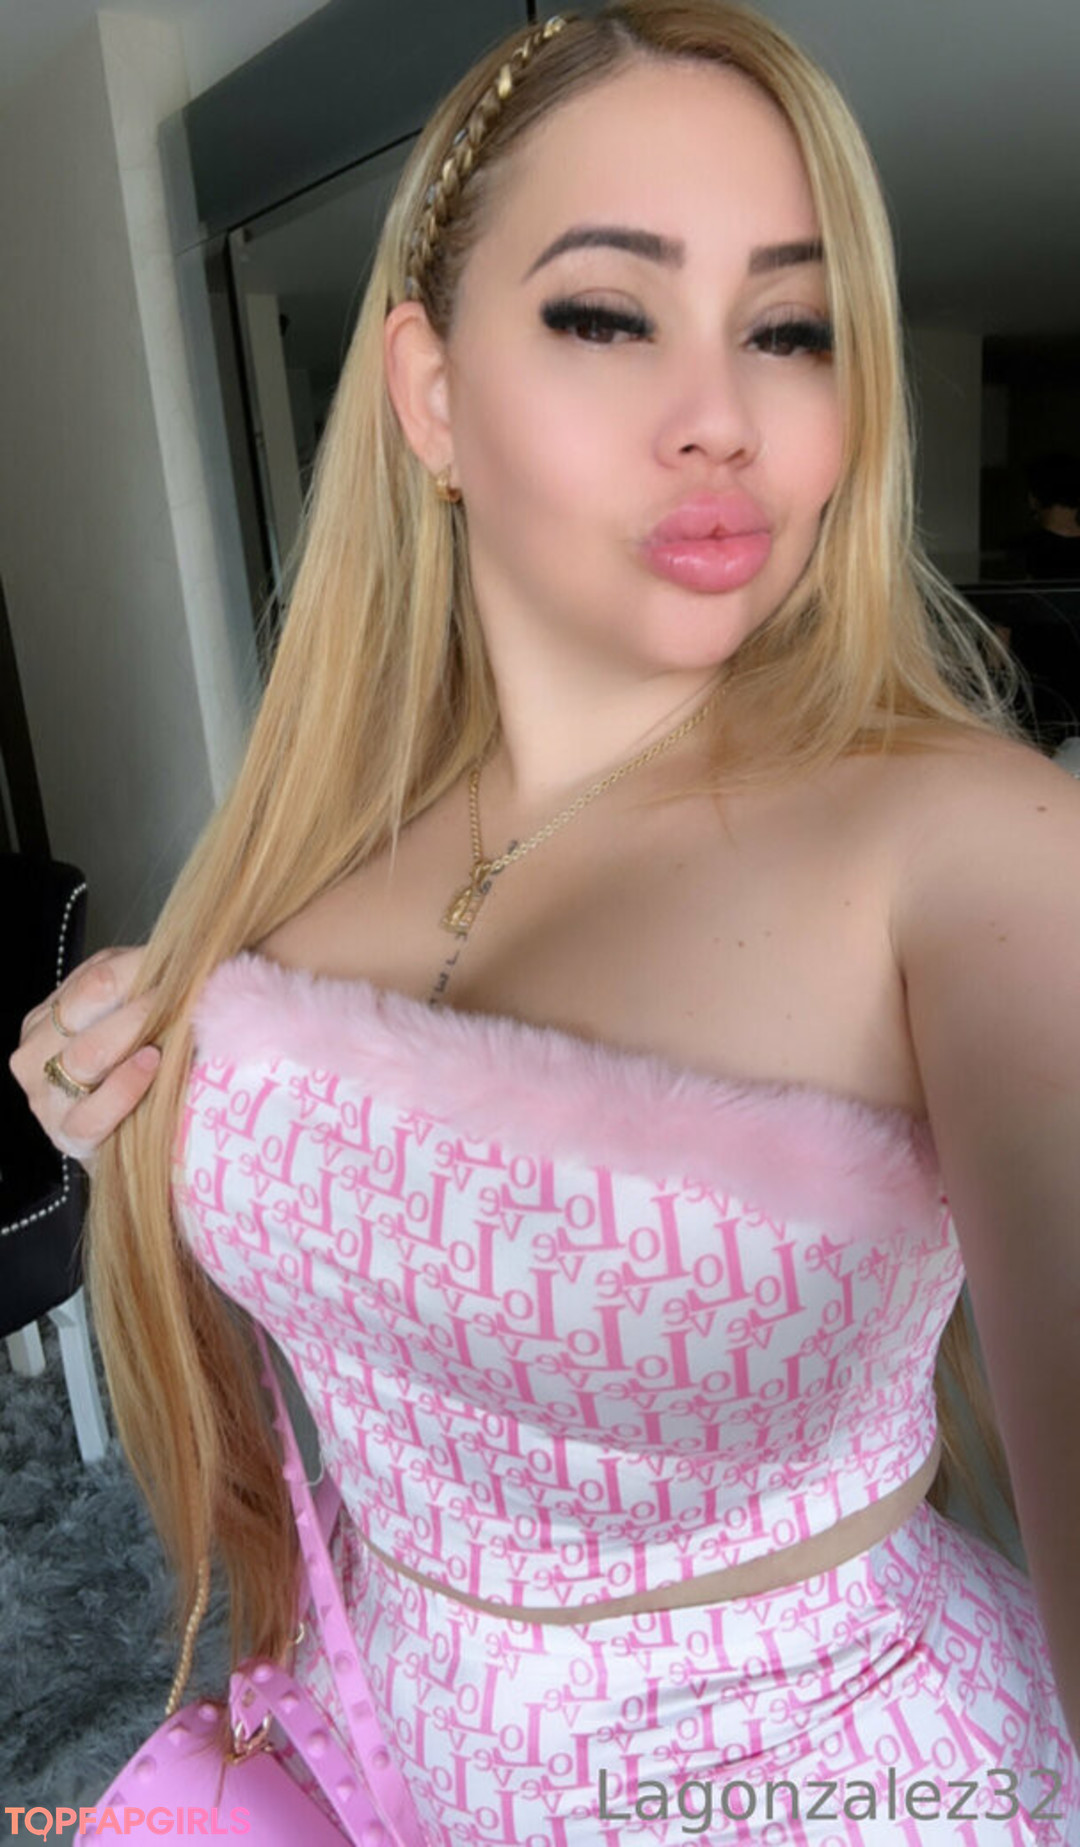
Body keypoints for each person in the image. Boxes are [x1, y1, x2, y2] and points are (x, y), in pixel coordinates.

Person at [12, 3, 1080, 1840]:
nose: (723, 417)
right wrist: (120, 1086)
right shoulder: (305, 861)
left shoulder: (977, 849)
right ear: (430, 394)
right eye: (606, 313)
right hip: (399, 1767)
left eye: (792, 329)